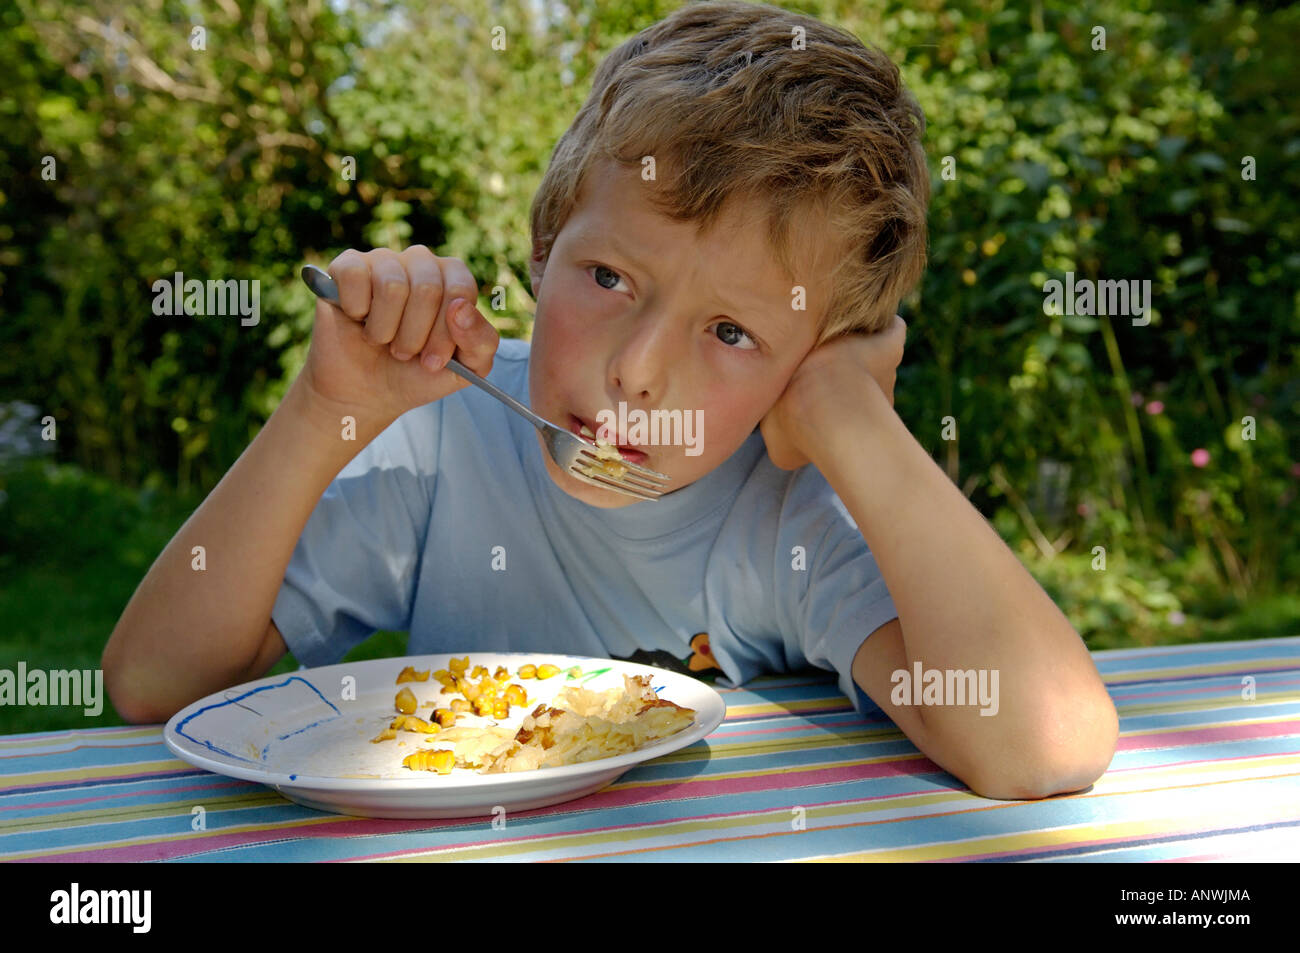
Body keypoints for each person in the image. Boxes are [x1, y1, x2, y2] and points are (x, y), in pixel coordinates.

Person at [103, 0, 1117, 800]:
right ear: (544, 250)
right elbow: (154, 684)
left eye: (731, 333)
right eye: (608, 279)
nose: (637, 369)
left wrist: (850, 415)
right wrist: (324, 413)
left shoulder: (782, 515)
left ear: (803, 366)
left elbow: (1044, 740)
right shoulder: (445, 436)